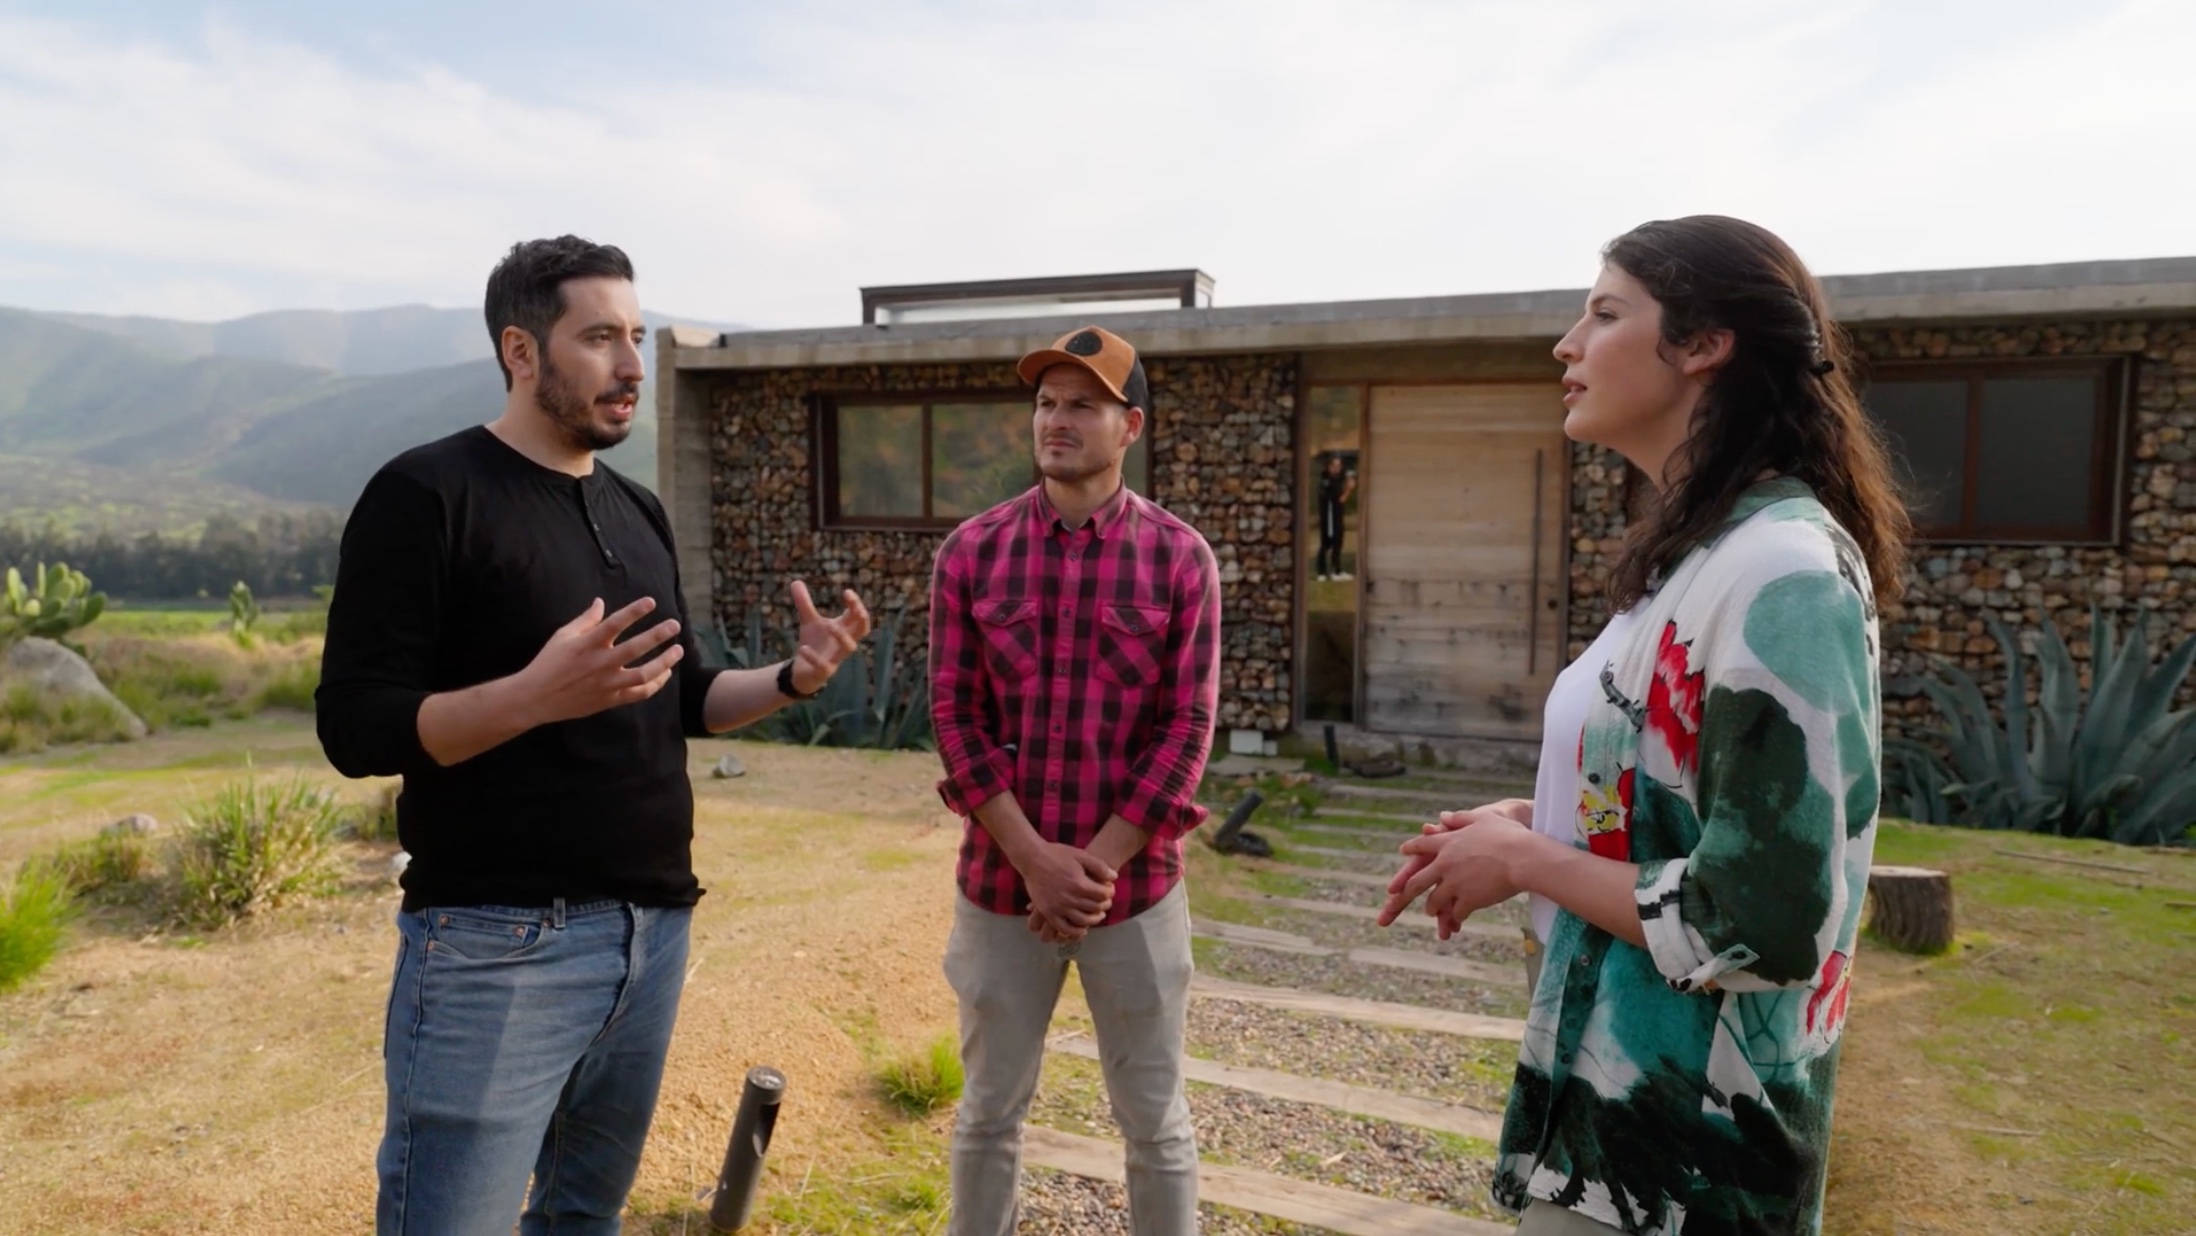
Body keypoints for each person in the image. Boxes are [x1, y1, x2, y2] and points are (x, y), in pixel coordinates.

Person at [316, 235, 873, 1236]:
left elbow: (687, 696)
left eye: (638, 337)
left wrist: (796, 678)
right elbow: (355, 727)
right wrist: (531, 695)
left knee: (582, 1217)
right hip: (496, 947)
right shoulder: (428, 494)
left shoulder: (636, 507)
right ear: (521, 352)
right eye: (601, 338)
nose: (630, 366)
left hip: (652, 936)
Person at [1378, 215, 1910, 1236]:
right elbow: (1672, 800)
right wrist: (1522, 827)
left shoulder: (1783, 572)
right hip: (1610, 1124)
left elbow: (1766, 915)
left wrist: (1533, 859)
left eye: (1605, 312)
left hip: (1688, 1165)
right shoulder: (1701, 557)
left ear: (1704, 344)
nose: (1566, 344)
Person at [928, 325, 1222, 1236]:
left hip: (1132, 898)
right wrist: (1033, 862)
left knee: (1156, 1123)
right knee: (985, 1115)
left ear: (1128, 426)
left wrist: (1084, 873)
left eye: (1082, 404)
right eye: (1047, 402)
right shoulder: (971, 554)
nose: (1057, 419)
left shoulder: (1180, 560)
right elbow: (955, 720)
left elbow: (1188, 728)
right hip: (997, 891)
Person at [1314, 452, 1356, 581]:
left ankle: (1335, 570)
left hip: (1336, 516)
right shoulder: (1326, 480)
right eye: (1335, 466)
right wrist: (1349, 490)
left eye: (1339, 466)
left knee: (1337, 543)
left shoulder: (1336, 478)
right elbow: (1339, 500)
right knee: (1328, 543)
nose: (1337, 468)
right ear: (1329, 466)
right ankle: (1326, 572)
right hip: (1329, 517)